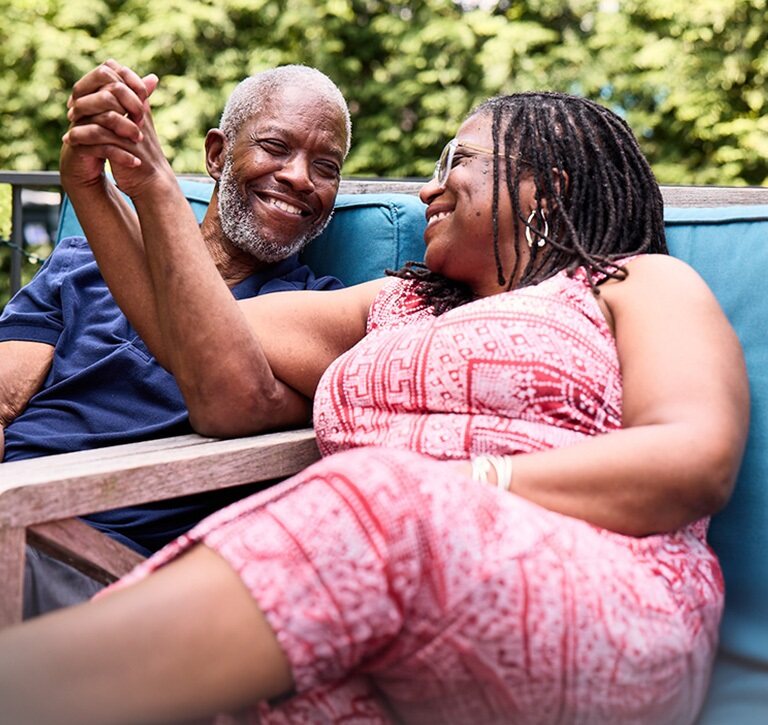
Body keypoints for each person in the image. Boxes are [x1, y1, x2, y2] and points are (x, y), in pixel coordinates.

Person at [0, 91, 749, 724]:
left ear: (543, 188)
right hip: (384, 610)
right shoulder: (395, 304)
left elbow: (694, 455)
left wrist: (462, 487)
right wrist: (123, 184)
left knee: (383, 494)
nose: (427, 191)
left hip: (603, 596)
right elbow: (193, 333)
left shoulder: (632, 283)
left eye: (456, 162)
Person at [0, 60, 351, 617]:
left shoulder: (316, 315)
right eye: (276, 146)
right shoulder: (81, 262)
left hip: (103, 566)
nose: (300, 177)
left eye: (326, 166)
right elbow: (2, 400)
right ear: (216, 155)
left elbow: (245, 406)